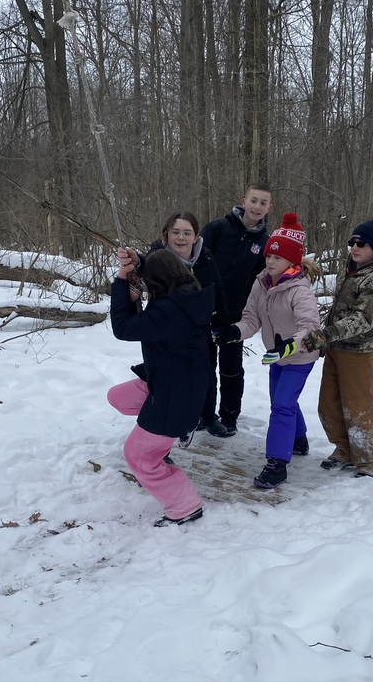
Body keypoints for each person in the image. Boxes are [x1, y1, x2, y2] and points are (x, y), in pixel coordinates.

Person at [108, 248, 215, 526]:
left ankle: (185, 506)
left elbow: (123, 328)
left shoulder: (169, 310)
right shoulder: (187, 293)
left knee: (138, 457)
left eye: (145, 281)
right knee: (118, 397)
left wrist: (122, 283)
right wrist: (136, 264)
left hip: (174, 396)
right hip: (174, 381)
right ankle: (162, 437)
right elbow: (156, 267)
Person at [221, 212, 322, 488]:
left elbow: (310, 327)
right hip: (275, 356)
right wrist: (233, 332)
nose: (270, 261)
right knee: (282, 400)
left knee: (281, 405)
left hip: (300, 356)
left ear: (292, 260)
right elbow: (251, 319)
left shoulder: (299, 290)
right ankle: (298, 440)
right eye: (269, 256)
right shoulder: (262, 283)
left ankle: (277, 463)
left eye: (277, 257)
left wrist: (289, 346)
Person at [302, 219, 373, 477]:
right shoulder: (353, 268)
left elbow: (363, 319)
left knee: (359, 407)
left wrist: (328, 334)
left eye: (361, 244)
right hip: (337, 346)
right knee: (329, 404)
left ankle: (369, 462)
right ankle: (344, 450)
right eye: (352, 243)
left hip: (360, 351)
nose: (354, 247)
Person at [118, 210, 228, 438]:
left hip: (198, 330)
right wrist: (134, 262)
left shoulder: (205, 258)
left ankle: (207, 416)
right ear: (165, 235)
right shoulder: (157, 255)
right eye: (175, 232)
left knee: (206, 372)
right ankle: (164, 425)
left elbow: (218, 291)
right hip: (164, 330)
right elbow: (145, 268)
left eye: (187, 233)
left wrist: (222, 323)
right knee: (168, 379)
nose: (181, 237)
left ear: (196, 237)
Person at [201, 185, 273, 435]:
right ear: (243, 201)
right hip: (203, 312)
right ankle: (204, 414)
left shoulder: (265, 243)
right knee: (204, 366)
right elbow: (194, 260)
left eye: (263, 203)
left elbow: (262, 281)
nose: (257, 206)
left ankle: (229, 416)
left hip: (234, 317)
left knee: (231, 369)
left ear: (268, 208)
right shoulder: (217, 229)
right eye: (254, 200)